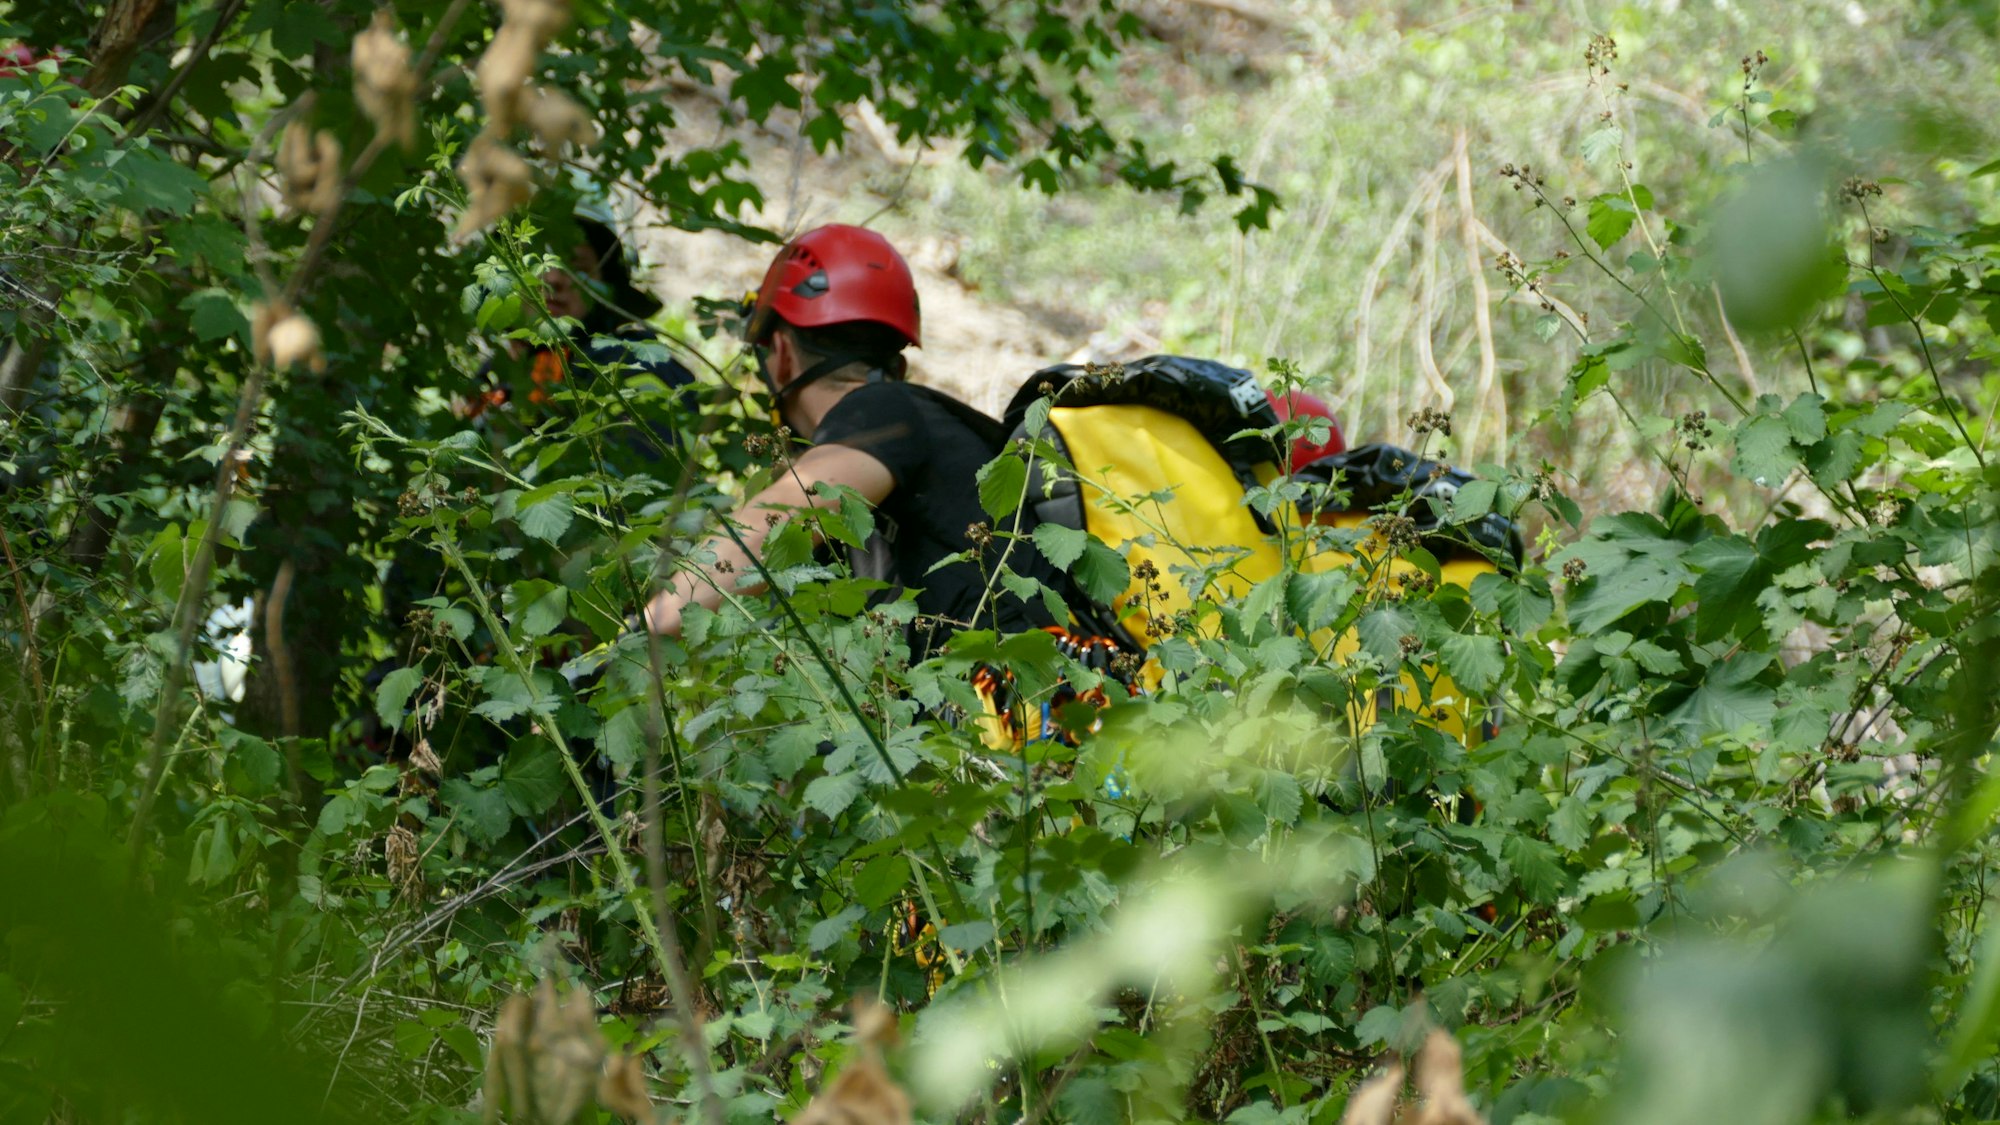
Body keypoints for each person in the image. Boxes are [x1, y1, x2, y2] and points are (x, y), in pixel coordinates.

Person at [641, 224, 1058, 655]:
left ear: (782, 354)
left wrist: (644, 627)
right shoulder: (913, 435)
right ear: (897, 361)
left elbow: (769, 528)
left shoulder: (882, 412)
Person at [462, 208, 696, 464]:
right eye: (532, 263)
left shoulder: (629, 364)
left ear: (606, 289)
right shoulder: (488, 384)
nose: (553, 279)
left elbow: (653, 472)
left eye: (577, 267)